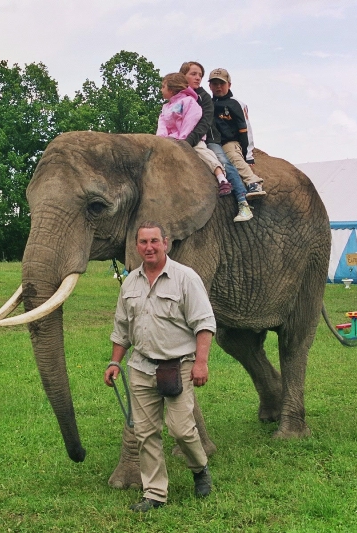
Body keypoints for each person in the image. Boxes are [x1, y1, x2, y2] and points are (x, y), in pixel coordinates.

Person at [104, 221, 216, 512]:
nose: (149, 247)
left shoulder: (185, 278)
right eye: (143, 242)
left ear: (165, 242)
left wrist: (201, 363)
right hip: (141, 367)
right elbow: (122, 329)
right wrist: (115, 361)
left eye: (154, 241)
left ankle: (199, 468)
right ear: (137, 246)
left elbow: (204, 323)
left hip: (178, 366)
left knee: (181, 429)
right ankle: (154, 494)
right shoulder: (130, 282)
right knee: (145, 432)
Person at [179, 61, 254, 222]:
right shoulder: (178, 97)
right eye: (193, 74)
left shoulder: (204, 98)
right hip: (184, 140)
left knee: (224, 162)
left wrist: (187, 142)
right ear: (182, 76)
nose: (198, 78)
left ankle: (243, 201)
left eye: (200, 75)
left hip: (209, 140)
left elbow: (205, 123)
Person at [156, 73, 234, 200]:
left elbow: (191, 120)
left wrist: (183, 140)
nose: (161, 89)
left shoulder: (189, 102)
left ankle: (222, 178)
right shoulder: (166, 107)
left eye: (163, 86)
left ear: (171, 89)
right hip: (170, 141)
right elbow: (162, 124)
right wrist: (161, 140)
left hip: (188, 139)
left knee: (203, 152)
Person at [208, 68, 266, 198]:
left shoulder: (236, 104)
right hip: (213, 143)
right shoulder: (208, 104)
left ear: (229, 84)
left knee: (233, 156)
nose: (218, 87)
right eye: (215, 83)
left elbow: (246, 129)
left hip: (231, 142)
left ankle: (253, 182)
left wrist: (249, 155)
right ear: (209, 86)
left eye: (221, 83)